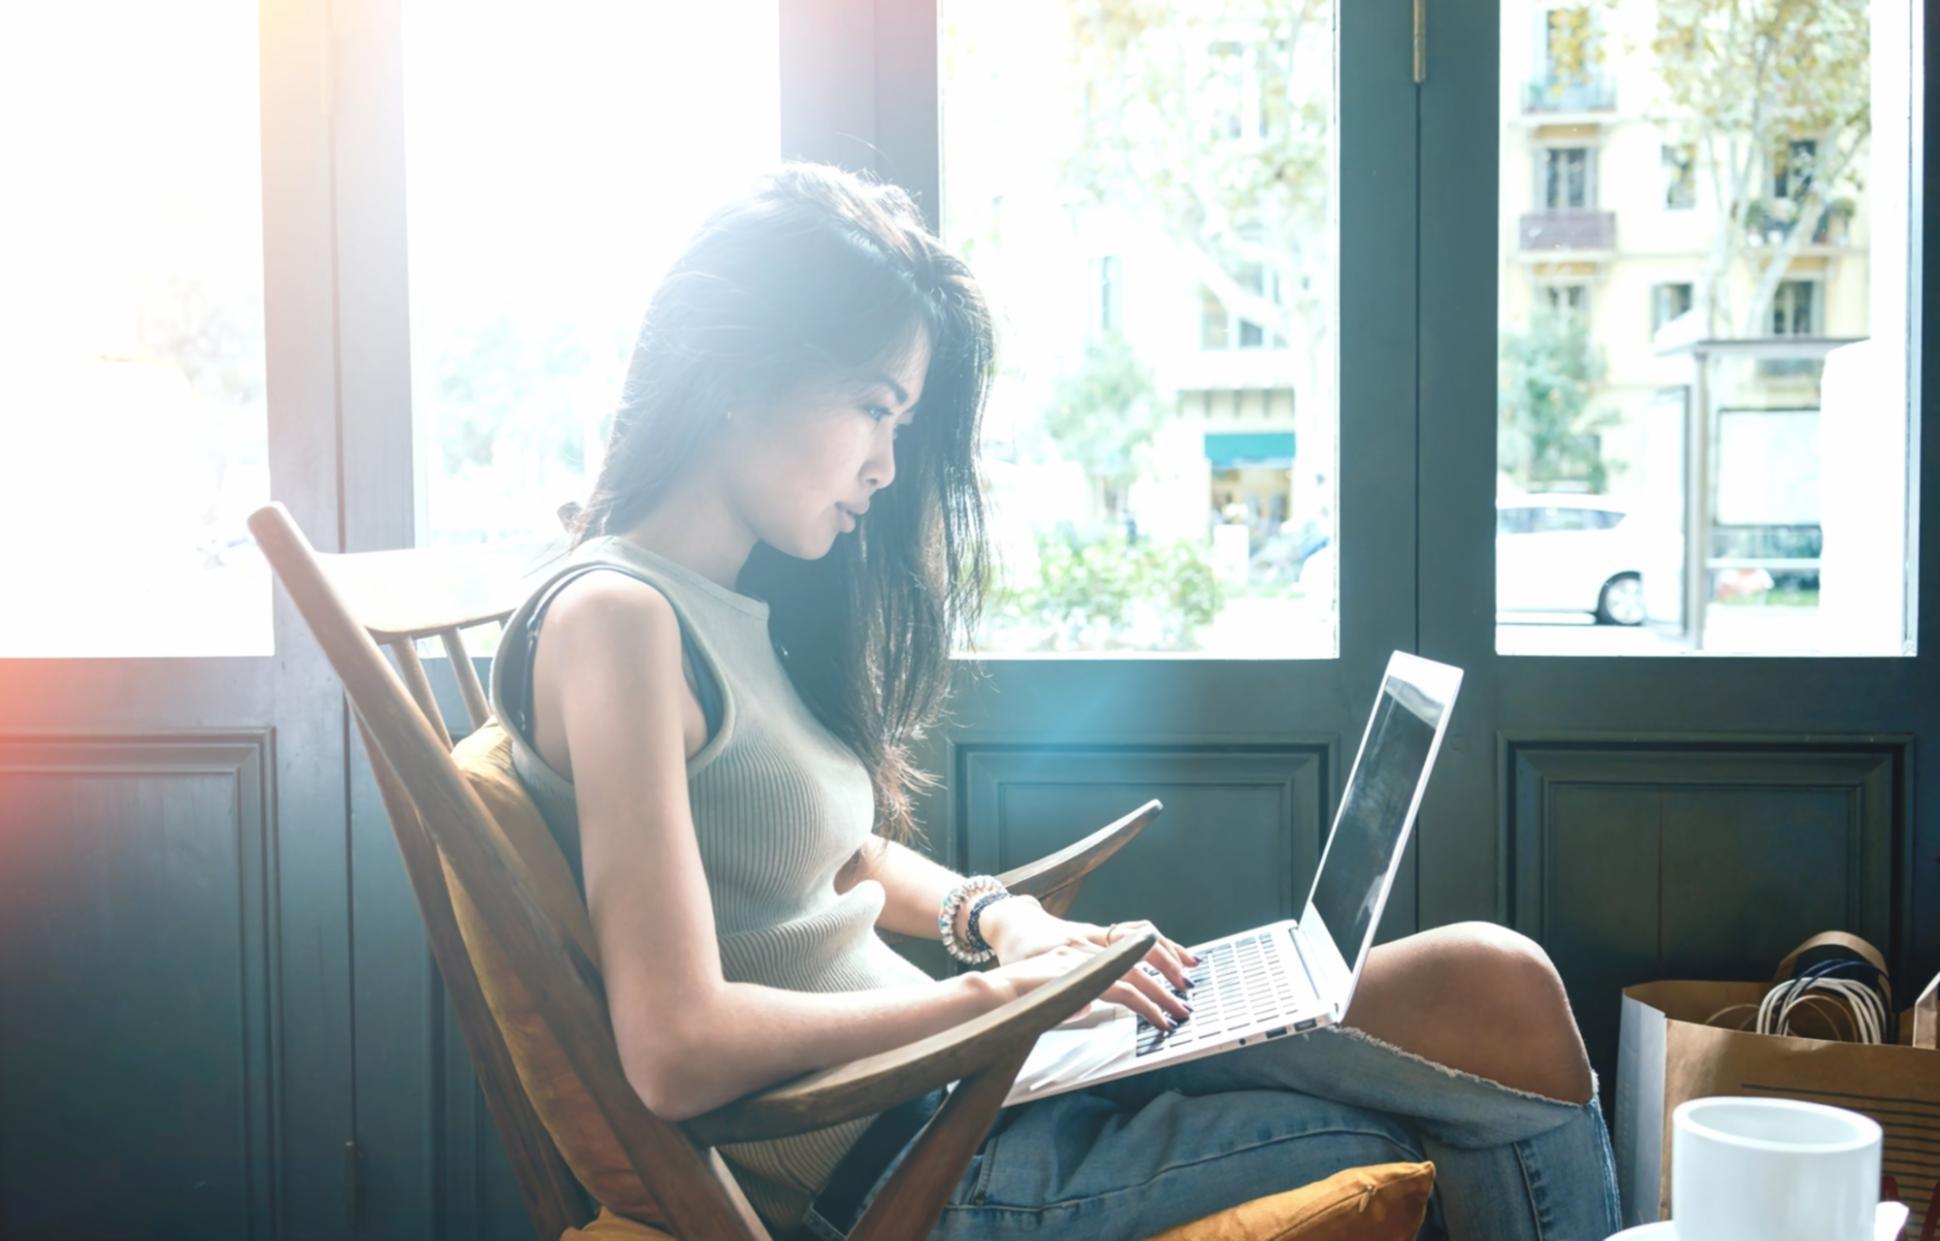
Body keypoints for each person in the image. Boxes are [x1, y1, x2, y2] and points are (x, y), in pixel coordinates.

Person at [491, 163, 1621, 1240]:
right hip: (916, 1163)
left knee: (1492, 980)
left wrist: (999, 923)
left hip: (980, 1089)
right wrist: (1002, 1005)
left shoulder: (723, 603)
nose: (886, 466)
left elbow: (827, 856)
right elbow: (676, 1045)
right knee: (1464, 1092)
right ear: (740, 370)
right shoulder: (618, 622)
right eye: (873, 408)